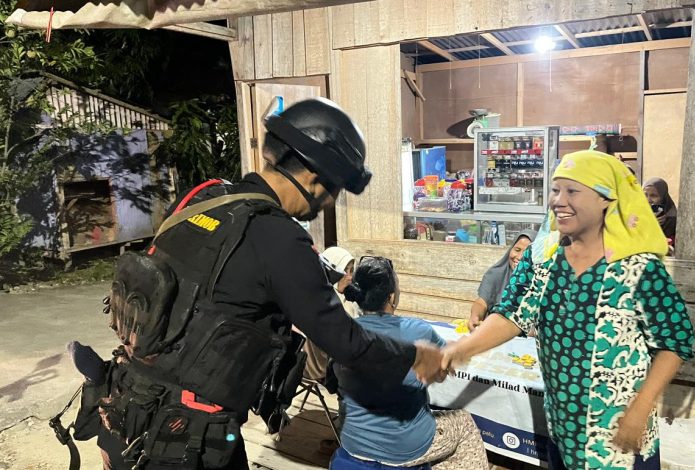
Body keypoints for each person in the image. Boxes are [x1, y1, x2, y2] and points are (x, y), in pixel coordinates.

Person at [90, 98, 444, 470]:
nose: (328, 203)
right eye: (335, 190)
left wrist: (332, 278)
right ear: (313, 177)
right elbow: (347, 344)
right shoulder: (279, 236)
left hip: (127, 408)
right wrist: (415, 356)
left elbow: (224, 276)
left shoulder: (203, 198)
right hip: (186, 441)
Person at [442, 150, 695, 470]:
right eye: (555, 190)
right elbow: (512, 314)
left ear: (606, 200)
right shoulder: (545, 259)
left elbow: (675, 342)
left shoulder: (638, 268)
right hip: (563, 429)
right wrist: (459, 350)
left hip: (618, 438)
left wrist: (640, 409)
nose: (558, 201)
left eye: (572, 191)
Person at [333, 256, 490, 469]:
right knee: (463, 423)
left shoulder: (342, 332)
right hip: (405, 446)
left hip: (352, 440)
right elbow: (441, 371)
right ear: (391, 297)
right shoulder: (418, 331)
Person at [302, 246, 359, 382]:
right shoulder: (326, 301)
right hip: (320, 367)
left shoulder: (344, 297)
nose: (349, 277)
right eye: (345, 271)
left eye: (351, 271)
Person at [468, 229, 536, 331]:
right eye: (517, 250)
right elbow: (482, 302)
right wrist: (475, 316)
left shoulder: (540, 281)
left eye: (527, 253)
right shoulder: (497, 274)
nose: (520, 257)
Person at [642, 177, 677, 244]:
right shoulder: (637, 213)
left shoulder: (671, 218)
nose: (648, 200)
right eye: (645, 195)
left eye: (653, 196)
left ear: (663, 197)